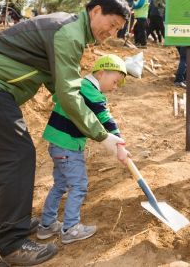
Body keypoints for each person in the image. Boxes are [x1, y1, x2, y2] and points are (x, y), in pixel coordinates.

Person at [0, 0, 131, 266]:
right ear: (95, 11)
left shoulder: (70, 30)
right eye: (113, 23)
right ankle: (10, 245)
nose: (112, 31)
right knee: (17, 157)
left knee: (10, 159)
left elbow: (59, 85)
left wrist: (91, 119)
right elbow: (68, 94)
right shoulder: (69, 33)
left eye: (118, 29)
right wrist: (101, 135)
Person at [37, 54, 129, 244]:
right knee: (78, 185)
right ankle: (70, 228)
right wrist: (119, 142)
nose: (114, 88)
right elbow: (105, 119)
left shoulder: (76, 85)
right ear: (102, 73)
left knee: (60, 184)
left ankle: (46, 225)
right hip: (69, 146)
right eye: (114, 82)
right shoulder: (91, 92)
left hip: (57, 144)